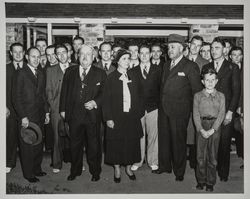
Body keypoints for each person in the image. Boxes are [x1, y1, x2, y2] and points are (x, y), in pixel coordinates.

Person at [156, 34, 203, 181]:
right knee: (164, 139)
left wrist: (192, 111)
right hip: (163, 109)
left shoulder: (190, 66)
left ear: (182, 48)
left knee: (178, 142)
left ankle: (179, 172)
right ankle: (164, 166)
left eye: (173, 47)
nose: (169, 49)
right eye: (169, 47)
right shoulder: (165, 64)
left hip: (179, 111)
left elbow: (196, 91)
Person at [59, 44, 106, 182]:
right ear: (78, 56)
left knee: (94, 146)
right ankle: (75, 170)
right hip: (74, 115)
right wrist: (63, 109)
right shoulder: (70, 71)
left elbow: (105, 93)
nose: (85, 57)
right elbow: (64, 92)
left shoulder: (100, 73)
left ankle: (95, 171)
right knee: (75, 145)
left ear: (93, 57)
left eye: (88, 54)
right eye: (82, 54)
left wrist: (95, 102)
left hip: (92, 117)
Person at [202, 37, 241, 182]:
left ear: (225, 50)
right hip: (209, 113)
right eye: (212, 48)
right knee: (211, 144)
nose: (213, 51)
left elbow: (236, 92)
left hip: (225, 113)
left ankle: (223, 173)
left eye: (217, 48)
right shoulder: (206, 67)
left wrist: (230, 112)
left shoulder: (232, 67)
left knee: (224, 144)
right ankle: (210, 170)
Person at [102, 49, 144, 183]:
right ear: (118, 61)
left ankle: (128, 168)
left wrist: (139, 113)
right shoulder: (110, 78)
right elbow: (106, 100)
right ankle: (117, 169)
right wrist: (108, 118)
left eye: (128, 58)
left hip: (131, 117)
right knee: (116, 144)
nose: (127, 61)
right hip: (116, 117)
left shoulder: (134, 76)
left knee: (130, 144)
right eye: (124, 59)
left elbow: (140, 96)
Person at [12, 47, 50, 183]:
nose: (36, 59)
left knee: (38, 143)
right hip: (26, 117)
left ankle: (37, 169)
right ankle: (28, 174)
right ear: (27, 57)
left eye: (38, 57)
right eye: (33, 56)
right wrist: (23, 116)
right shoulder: (20, 73)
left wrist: (46, 112)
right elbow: (16, 98)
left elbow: (43, 96)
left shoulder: (41, 73)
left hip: (39, 115)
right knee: (27, 146)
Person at [193, 67, 225, 192]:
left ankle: (210, 182)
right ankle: (201, 180)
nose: (210, 82)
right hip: (201, 125)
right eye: (207, 80)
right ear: (203, 81)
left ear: (216, 81)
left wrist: (213, 130)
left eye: (212, 80)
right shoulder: (198, 96)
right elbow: (195, 114)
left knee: (212, 156)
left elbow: (221, 114)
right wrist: (201, 129)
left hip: (215, 127)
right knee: (200, 157)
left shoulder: (221, 96)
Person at [130, 45, 161, 172]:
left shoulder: (158, 70)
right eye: (141, 53)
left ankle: (153, 161)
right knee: (139, 136)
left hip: (153, 108)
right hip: (138, 109)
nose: (144, 55)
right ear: (138, 55)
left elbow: (161, 89)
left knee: (153, 136)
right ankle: (138, 161)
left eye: (146, 53)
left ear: (150, 55)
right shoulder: (132, 71)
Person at [46, 44, 76, 173]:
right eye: (58, 53)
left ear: (69, 53)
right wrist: (54, 108)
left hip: (74, 109)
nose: (62, 55)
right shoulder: (51, 70)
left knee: (75, 137)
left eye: (64, 52)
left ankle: (77, 163)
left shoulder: (76, 67)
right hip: (56, 108)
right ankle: (57, 164)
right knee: (57, 139)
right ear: (56, 56)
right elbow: (48, 91)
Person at [187, 35, 209, 169]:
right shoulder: (180, 59)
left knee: (196, 131)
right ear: (189, 44)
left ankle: (195, 160)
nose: (195, 48)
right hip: (182, 102)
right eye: (193, 44)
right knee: (183, 131)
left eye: (198, 46)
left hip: (198, 103)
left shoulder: (205, 63)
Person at [6, 42, 25, 173]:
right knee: (10, 136)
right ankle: (9, 162)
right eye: (15, 52)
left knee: (25, 137)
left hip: (26, 110)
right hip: (10, 110)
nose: (18, 54)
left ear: (24, 53)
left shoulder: (30, 68)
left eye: (20, 51)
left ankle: (28, 165)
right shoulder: (5, 69)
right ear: (11, 53)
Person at [229, 46, 244, 168]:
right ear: (230, 56)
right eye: (234, 55)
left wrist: (241, 106)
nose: (237, 57)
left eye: (239, 55)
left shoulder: (245, 68)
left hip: (242, 105)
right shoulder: (228, 68)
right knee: (236, 129)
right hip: (231, 105)